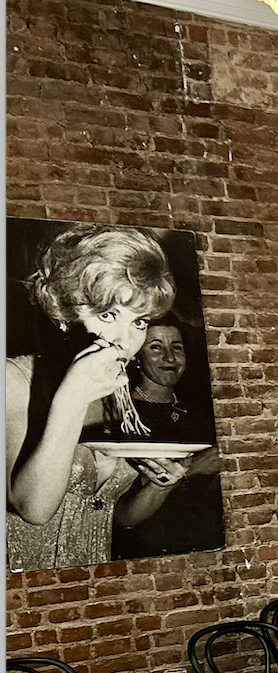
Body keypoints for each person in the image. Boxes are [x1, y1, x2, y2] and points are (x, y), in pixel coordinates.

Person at [6, 223, 183, 570]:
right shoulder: (13, 379)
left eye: (139, 321)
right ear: (64, 313)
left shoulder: (116, 392)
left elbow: (115, 514)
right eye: (108, 315)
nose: (126, 342)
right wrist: (71, 398)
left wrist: (158, 486)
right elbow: (33, 509)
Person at [109, 310, 225, 560]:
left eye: (177, 347)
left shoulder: (198, 414)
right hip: (146, 549)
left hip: (203, 544)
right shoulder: (123, 416)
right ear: (137, 355)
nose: (169, 357)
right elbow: (122, 509)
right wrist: (193, 468)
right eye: (156, 347)